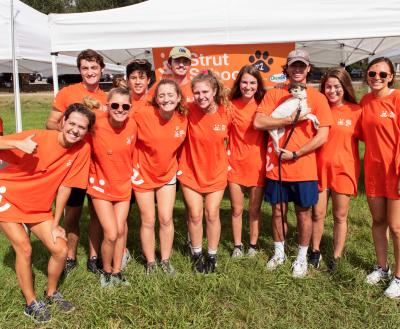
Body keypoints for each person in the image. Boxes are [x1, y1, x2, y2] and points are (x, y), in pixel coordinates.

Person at [0, 103, 94, 323]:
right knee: (24, 247)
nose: (75, 130)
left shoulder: (82, 149)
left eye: (81, 127)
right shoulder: (38, 137)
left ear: (87, 131)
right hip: (7, 195)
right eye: (71, 123)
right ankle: (31, 303)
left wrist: (56, 221)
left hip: (38, 206)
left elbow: (65, 186)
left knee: (60, 248)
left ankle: (51, 294)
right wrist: (17, 143)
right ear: (62, 122)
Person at [253, 49, 333, 278]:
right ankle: (279, 253)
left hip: (303, 167)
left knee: (303, 214)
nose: (297, 70)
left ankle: (301, 257)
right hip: (276, 166)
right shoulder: (273, 95)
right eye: (293, 65)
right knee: (277, 211)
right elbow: (259, 122)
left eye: (301, 65)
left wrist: (297, 153)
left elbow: (323, 135)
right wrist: (287, 120)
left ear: (308, 69)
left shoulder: (318, 98)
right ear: (286, 68)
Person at [46, 49, 107, 274]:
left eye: (94, 67)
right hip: (72, 164)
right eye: (85, 68)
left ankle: (94, 256)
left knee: (97, 213)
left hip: (99, 165)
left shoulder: (107, 99)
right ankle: (70, 256)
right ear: (79, 70)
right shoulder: (67, 93)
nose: (90, 72)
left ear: (102, 69)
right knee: (72, 213)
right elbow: (51, 123)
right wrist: (68, 131)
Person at [132, 79, 187, 275]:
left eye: (170, 95)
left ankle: (165, 260)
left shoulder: (183, 118)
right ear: (156, 98)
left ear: (178, 97)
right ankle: (150, 263)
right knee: (148, 220)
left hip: (168, 173)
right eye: (161, 95)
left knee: (165, 218)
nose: (166, 99)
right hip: (143, 173)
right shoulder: (143, 114)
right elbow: (118, 120)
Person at [178, 70, 230, 273]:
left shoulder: (226, 112)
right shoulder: (188, 109)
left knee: (212, 213)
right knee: (195, 214)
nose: (201, 96)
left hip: (216, 172)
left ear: (214, 90)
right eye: (197, 92)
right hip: (190, 171)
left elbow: (236, 137)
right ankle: (197, 253)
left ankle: (212, 255)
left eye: (205, 92)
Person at [310, 68, 361, 271]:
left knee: (340, 216)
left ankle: (337, 256)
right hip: (319, 169)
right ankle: (315, 251)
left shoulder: (356, 111)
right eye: (328, 86)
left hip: (344, 171)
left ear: (345, 87)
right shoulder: (318, 109)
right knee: (317, 214)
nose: (332, 90)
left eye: (337, 86)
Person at [86, 87, 137, 287]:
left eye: (125, 106)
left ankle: (117, 272)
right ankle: (105, 271)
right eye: (115, 105)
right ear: (107, 106)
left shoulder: (133, 125)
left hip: (124, 186)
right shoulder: (95, 124)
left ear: (130, 108)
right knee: (111, 233)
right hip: (100, 186)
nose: (119, 109)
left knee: (120, 231)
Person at [360, 57, 400, 298]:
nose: (376, 78)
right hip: (374, 171)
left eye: (382, 75)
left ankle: (399, 276)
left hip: (395, 171)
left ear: (391, 77)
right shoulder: (365, 101)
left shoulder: (397, 98)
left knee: (396, 227)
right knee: (378, 222)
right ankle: (382, 268)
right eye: (372, 73)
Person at [228, 65, 266, 258]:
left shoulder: (264, 104)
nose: (248, 86)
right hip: (234, 165)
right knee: (236, 209)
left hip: (258, 165)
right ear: (239, 83)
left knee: (254, 210)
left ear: (258, 84)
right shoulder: (230, 104)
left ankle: (252, 245)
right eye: (244, 82)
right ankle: (237, 245)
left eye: (252, 82)